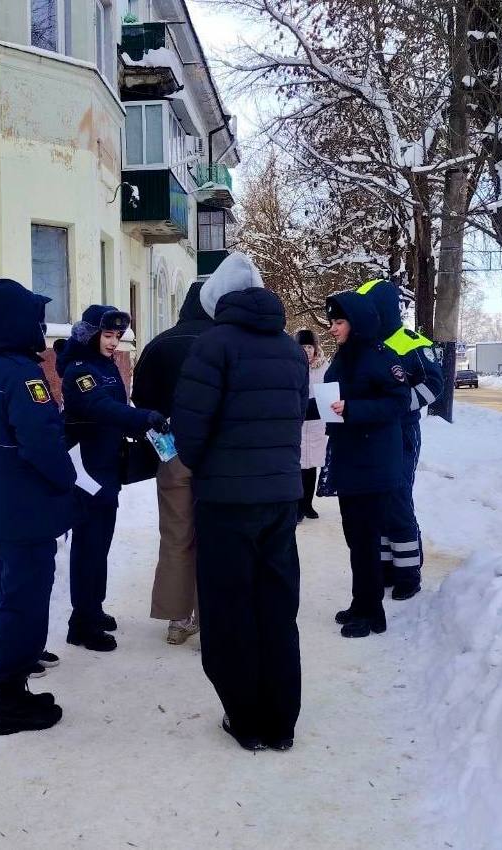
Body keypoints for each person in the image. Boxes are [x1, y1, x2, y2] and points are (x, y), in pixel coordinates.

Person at [173, 253, 307, 752]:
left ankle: (245, 719)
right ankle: (281, 722)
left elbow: (191, 432)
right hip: (279, 498)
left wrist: (210, 465)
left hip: (226, 502)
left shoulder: (213, 347)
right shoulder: (291, 351)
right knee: (275, 606)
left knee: (229, 609)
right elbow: (295, 419)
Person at [0, 278, 75, 735]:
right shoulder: (22, 375)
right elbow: (42, 443)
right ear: (16, 322)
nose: (42, 328)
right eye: (35, 319)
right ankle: (9, 699)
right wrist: (68, 480)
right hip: (25, 512)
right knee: (25, 602)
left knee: (10, 594)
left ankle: (11, 685)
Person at [57, 305, 169, 653]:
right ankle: (81, 623)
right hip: (87, 472)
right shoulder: (79, 370)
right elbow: (99, 407)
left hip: (106, 467)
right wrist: (142, 419)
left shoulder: (103, 365)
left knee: (100, 543)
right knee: (89, 545)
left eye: (118, 337)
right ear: (91, 334)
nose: (113, 342)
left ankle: (94, 607)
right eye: (108, 335)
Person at [323, 290, 409, 638]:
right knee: (355, 537)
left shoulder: (381, 357)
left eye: (339, 322)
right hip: (351, 459)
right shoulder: (345, 357)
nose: (332, 328)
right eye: (331, 322)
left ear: (356, 323)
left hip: (374, 464)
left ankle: (373, 612)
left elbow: (399, 402)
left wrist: (354, 409)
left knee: (366, 538)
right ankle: (362, 602)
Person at [131, 281, 212, 645]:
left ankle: (178, 620)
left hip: (172, 451)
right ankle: (211, 616)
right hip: (215, 454)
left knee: (176, 535)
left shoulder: (159, 344)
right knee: (214, 537)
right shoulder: (221, 341)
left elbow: (140, 398)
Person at [356, 279, 445, 600]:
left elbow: (434, 385)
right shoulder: (367, 344)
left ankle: (409, 572)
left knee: (397, 499)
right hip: (374, 433)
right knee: (378, 499)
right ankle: (386, 567)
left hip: (402, 432)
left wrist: (395, 406)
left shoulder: (410, 342)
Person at [294, 328, 328, 522]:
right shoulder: (291, 365)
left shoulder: (324, 367)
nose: (307, 350)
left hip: (316, 424)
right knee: (298, 465)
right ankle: (297, 505)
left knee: (312, 465)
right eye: (303, 346)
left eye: (309, 346)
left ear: (315, 348)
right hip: (298, 424)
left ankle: (308, 503)